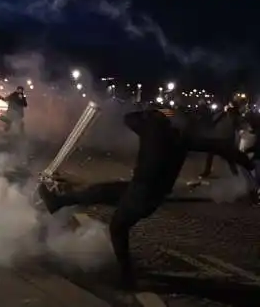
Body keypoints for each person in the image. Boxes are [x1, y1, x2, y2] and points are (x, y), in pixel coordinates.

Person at [37, 108, 257, 288]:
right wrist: (247, 162)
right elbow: (219, 147)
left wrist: (151, 112)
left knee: (117, 227)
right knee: (100, 191)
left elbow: (128, 117)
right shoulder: (181, 138)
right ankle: (57, 203)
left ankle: (127, 278)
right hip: (145, 191)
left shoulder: (150, 128)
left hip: (143, 194)